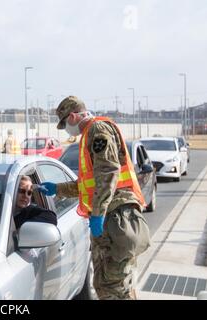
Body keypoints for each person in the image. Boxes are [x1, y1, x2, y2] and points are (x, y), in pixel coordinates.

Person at [38, 96, 150, 300]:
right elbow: (90, 183)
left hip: (115, 216)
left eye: (65, 124)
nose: (66, 130)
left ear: (72, 116)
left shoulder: (97, 131)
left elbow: (108, 173)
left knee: (111, 287)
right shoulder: (90, 133)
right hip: (112, 215)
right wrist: (58, 188)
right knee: (112, 284)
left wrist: (98, 214)